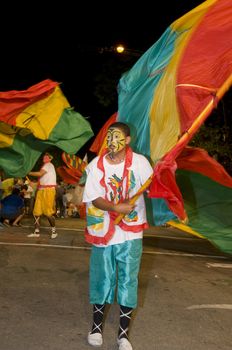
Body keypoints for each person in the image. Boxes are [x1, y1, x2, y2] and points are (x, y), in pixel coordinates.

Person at [82, 122, 153, 350]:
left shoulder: (141, 163)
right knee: (102, 279)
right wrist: (116, 208)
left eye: (118, 136)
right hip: (104, 232)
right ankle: (95, 328)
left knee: (128, 281)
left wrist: (165, 173)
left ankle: (123, 335)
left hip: (131, 234)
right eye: (109, 136)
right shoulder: (96, 165)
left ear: (128, 140)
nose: (112, 140)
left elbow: (156, 187)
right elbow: (94, 198)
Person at [27, 153, 57, 239]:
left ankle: (54, 231)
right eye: (44, 157)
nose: (45, 158)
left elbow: (40, 174)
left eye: (47, 157)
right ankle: (36, 232)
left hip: (49, 190)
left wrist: (28, 172)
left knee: (48, 212)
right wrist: (33, 183)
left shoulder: (48, 165)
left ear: (50, 159)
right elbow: (41, 181)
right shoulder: (45, 166)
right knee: (36, 212)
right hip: (41, 190)